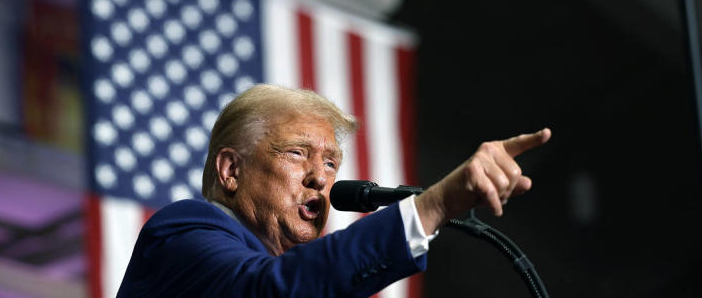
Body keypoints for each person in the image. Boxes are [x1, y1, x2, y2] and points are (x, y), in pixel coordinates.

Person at [116, 84, 551, 297]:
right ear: (231, 169)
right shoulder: (182, 233)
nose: (320, 178)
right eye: (296, 153)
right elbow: (272, 291)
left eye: (329, 163)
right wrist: (437, 204)